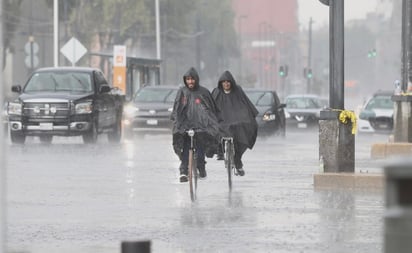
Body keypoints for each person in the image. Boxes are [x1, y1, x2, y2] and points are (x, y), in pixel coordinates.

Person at [171, 67, 222, 183]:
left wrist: (208, 123)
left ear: (196, 79)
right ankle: (183, 171)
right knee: (185, 147)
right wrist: (178, 122)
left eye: (192, 79)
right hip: (185, 125)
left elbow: (210, 109)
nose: (190, 82)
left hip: (201, 126)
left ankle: (201, 167)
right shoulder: (182, 92)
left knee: (200, 146)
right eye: (188, 79)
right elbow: (177, 109)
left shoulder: (203, 92)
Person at [212, 70, 258, 176]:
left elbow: (245, 104)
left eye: (228, 82)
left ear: (231, 82)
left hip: (237, 120)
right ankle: (220, 150)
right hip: (222, 120)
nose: (226, 84)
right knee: (215, 129)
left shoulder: (238, 91)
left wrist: (249, 116)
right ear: (221, 83)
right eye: (224, 82)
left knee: (247, 129)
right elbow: (211, 107)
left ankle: (237, 160)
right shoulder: (216, 92)